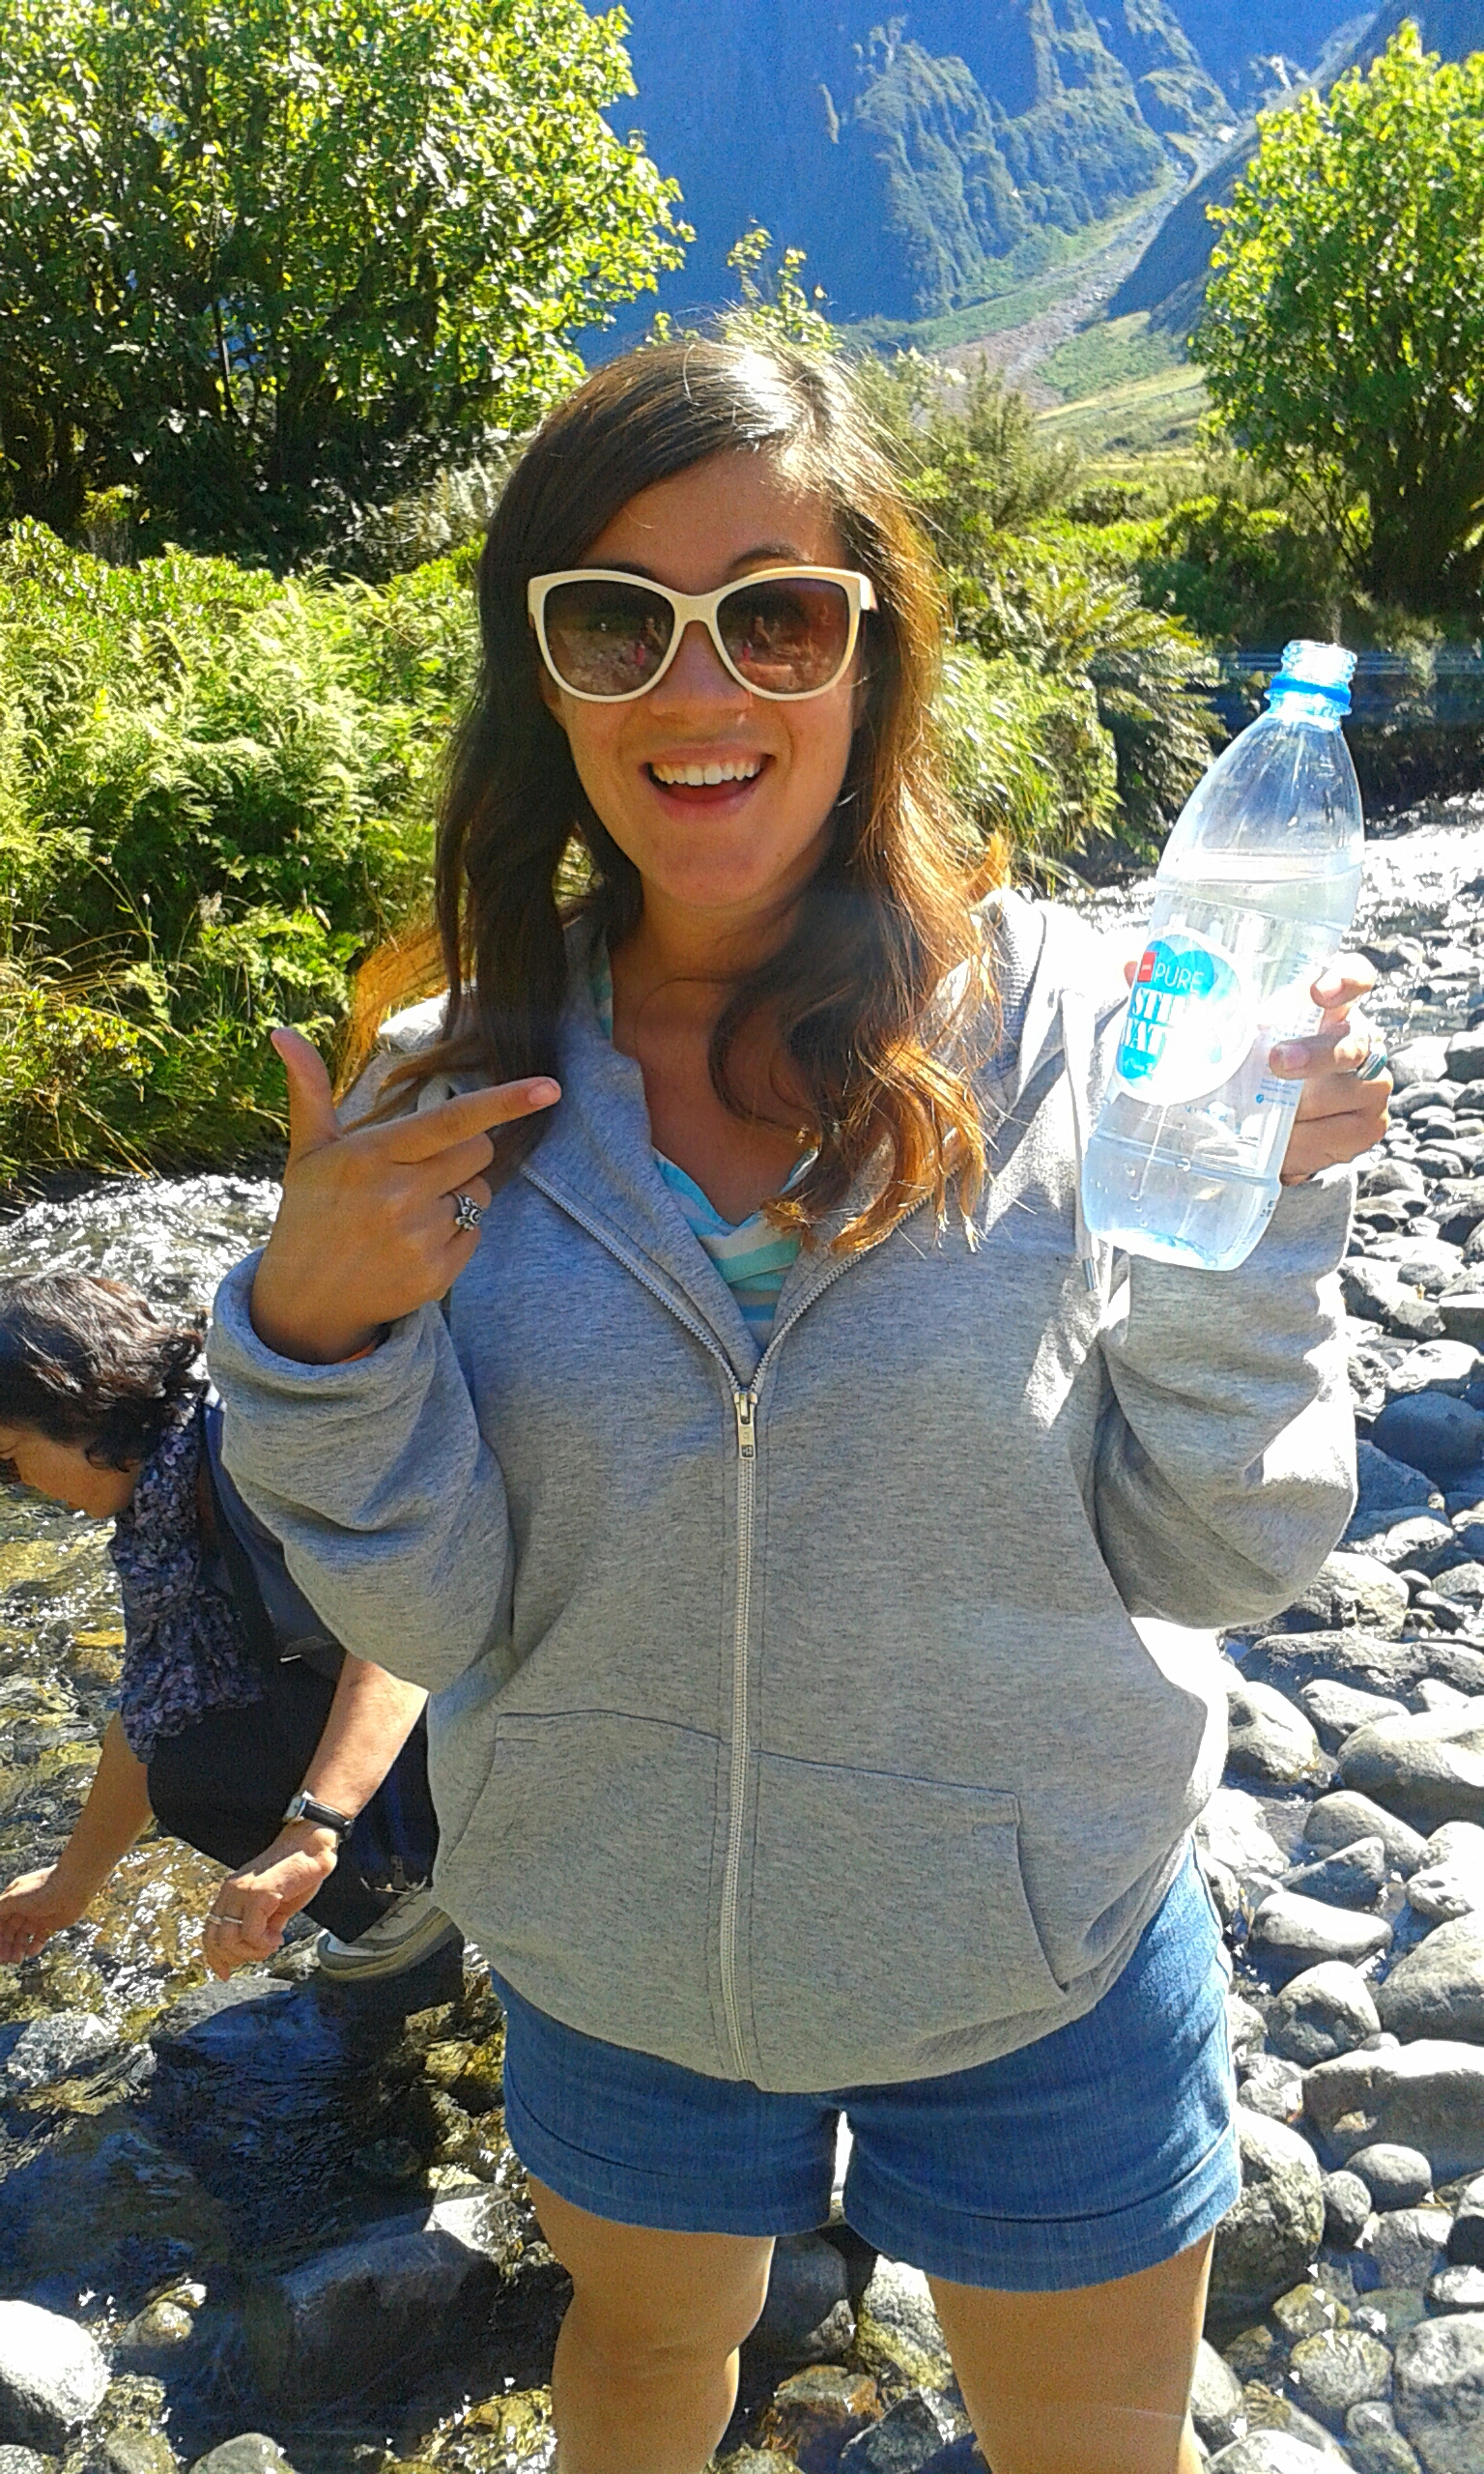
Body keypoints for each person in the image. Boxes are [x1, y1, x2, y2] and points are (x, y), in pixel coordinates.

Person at [208, 337, 1388, 2474]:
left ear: (873, 650)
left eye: (773, 615)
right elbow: (433, 1616)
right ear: (540, 671)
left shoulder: (1107, 1035)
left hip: (1044, 1948)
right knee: (647, 2363)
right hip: (613, 1957)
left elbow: (1224, 1555)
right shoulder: (449, 1081)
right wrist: (313, 1335)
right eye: (615, 620)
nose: (698, 687)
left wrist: (1254, 1211)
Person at [0, 1273, 457, 1987]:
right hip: (431, 1682)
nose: (21, 1483)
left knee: (206, 1761)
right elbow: (147, 1714)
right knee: (190, 1761)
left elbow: (400, 1626)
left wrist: (312, 1831)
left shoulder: (250, 1444)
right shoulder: (160, 1516)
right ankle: (415, 1895)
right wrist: (69, 1886)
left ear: (76, 1406)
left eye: (11, 1456)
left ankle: (434, 1880)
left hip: (493, 1674)